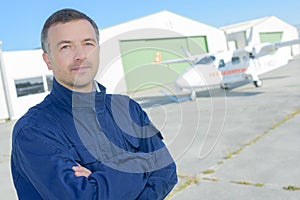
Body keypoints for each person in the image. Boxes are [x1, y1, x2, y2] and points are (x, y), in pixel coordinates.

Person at [11, 8, 177, 200]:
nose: (80, 55)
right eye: (65, 47)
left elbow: (167, 171)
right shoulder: (33, 130)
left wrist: (102, 179)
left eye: (87, 43)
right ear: (48, 60)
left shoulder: (128, 109)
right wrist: (143, 162)